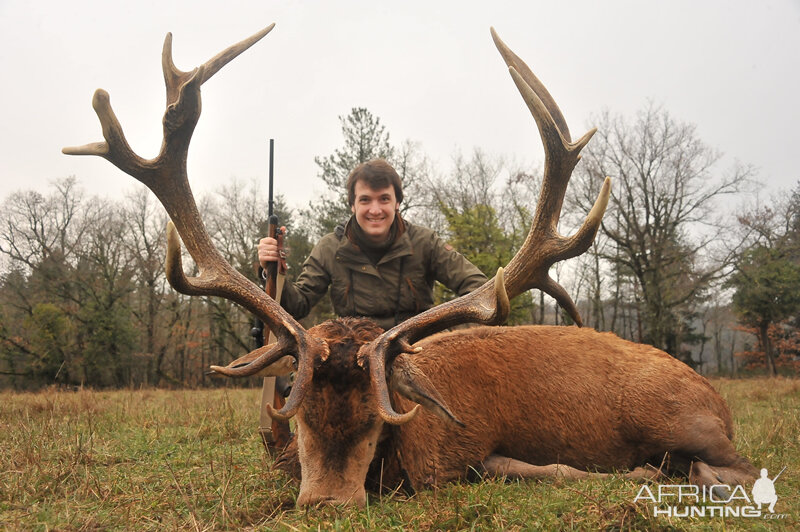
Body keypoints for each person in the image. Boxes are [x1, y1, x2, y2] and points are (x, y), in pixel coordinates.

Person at [258, 158, 487, 330]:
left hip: (418, 352)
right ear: (352, 205)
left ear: (397, 202)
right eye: (365, 200)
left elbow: (480, 290)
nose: (375, 210)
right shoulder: (329, 248)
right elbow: (297, 305)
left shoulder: (425, 242)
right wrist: (273, 271)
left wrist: (449, 335)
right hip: (354, 356)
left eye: (384, 199)